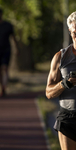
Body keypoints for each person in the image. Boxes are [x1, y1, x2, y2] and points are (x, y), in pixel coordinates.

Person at [46, 11, 76, 150]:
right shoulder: (60, 57)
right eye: (75, 32)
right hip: (68, 117)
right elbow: (49, 92)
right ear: (70, 31)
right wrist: (66, 83)